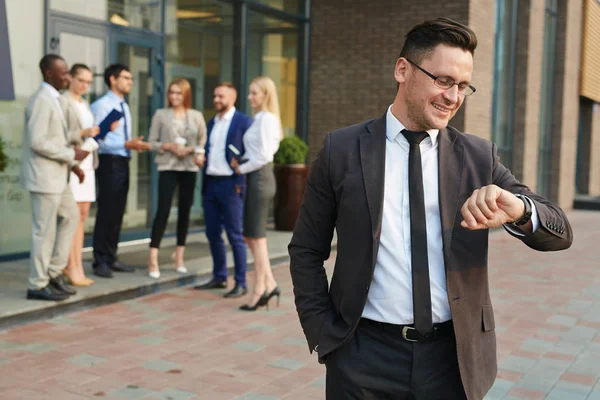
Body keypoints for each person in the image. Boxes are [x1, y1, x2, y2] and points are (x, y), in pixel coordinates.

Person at [288, 18, 573, 400]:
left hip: (453, 360)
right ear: (403, 70)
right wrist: (323, 332)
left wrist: (519, 209)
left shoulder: (477, 157)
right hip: (361, 357)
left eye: (462, 86)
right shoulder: (341, 150)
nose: (453, 97)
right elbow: (306, 249)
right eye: (443, 81)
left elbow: (560, 231)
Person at [20, 54, 89, 301]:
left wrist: (73, 164)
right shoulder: (41, 101)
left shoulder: (57, 100)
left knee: (72, 216)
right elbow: (38, 141)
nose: (67, 77)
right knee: (44, 231)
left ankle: (53, 273)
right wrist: (71, 153)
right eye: (63, 73)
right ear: (49, 74)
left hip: (59, 176)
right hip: (44, 178)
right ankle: (37, 284)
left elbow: (57, 139)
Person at [91, 64, 150, 279]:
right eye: (126, 78)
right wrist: (126, 144)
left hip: (123, 161)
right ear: (113, 80)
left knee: (117, 212)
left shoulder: (124, 106)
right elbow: (96, 139)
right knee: (106, 211)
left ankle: (111, 256)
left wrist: (130, 144)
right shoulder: (101, 105)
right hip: (109, 161)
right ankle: (100, 261)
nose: (130, 82)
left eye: (131, 78)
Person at [59, 63, 117, 287]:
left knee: (82, 216)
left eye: (88, 82)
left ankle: (76, 265)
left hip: (88, 162)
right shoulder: (63, 102)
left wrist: (101, 131)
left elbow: (90, 136)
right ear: (71, 78)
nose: (84, 85)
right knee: (71, 216)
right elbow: (61, 133)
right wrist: (85, 132)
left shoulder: (85, 104)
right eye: (81, 80)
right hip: (73, 162)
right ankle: (69, 265)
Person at [193, 83, 253, 298]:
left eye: (221, 96)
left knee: (235, 235)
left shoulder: (244, 122)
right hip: (211, 183)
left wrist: (241, 165)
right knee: (212, 233)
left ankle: (241, 282)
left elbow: (253, 152)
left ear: (233, 98)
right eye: (215, 95)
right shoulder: (211, 123)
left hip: (231, 185)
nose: (216, 99)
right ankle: (219, 277)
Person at [146, 78, 207, 279]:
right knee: (163, 209)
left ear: (186, 95)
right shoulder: (161, 115)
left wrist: (191, 150)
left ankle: (179, 256)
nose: (174, 96)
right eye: (171, 92)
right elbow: (151, 142)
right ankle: (153, 257)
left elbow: (202, 142)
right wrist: (168, 146)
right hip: (167, 166)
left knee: (184, 212)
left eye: (178, 93)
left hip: (189, 168)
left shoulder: (196, 116)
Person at [231, 77, 282, 311]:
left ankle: (262, 288)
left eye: (254, 93)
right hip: (255, 177)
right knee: (251, 236)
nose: (249, 97)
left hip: (260, 177)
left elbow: (263, 157)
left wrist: (241, 167)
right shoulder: (260, 119)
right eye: (250, 93)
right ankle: (267, 284)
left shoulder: (266, 120)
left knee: (256, 237)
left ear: (265, 95)